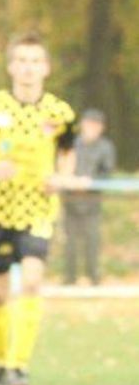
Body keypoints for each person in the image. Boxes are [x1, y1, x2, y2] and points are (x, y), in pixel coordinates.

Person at [0, 32, 77, 385]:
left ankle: (19, 366)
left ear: (46, 68)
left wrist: (62, 177)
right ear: (11, 66)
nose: (28, 68)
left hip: (38, 211)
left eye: (35, 61)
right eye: (22, 61)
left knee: (31, 280)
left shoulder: (59, 113)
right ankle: (0, 363)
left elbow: (68, 154)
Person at [62, 109, 115, 285]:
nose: (92, 127)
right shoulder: (72, 144)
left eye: (96, 124)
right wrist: (71, 182)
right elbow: (63, 168)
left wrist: (90, 182)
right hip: (71, 200)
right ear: (82, 124)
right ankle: (69, 278)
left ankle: (93, 278)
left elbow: (107, 173)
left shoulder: (106, 147)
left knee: (92, 240)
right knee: (70, 242)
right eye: (89, 123)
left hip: (92, 202)